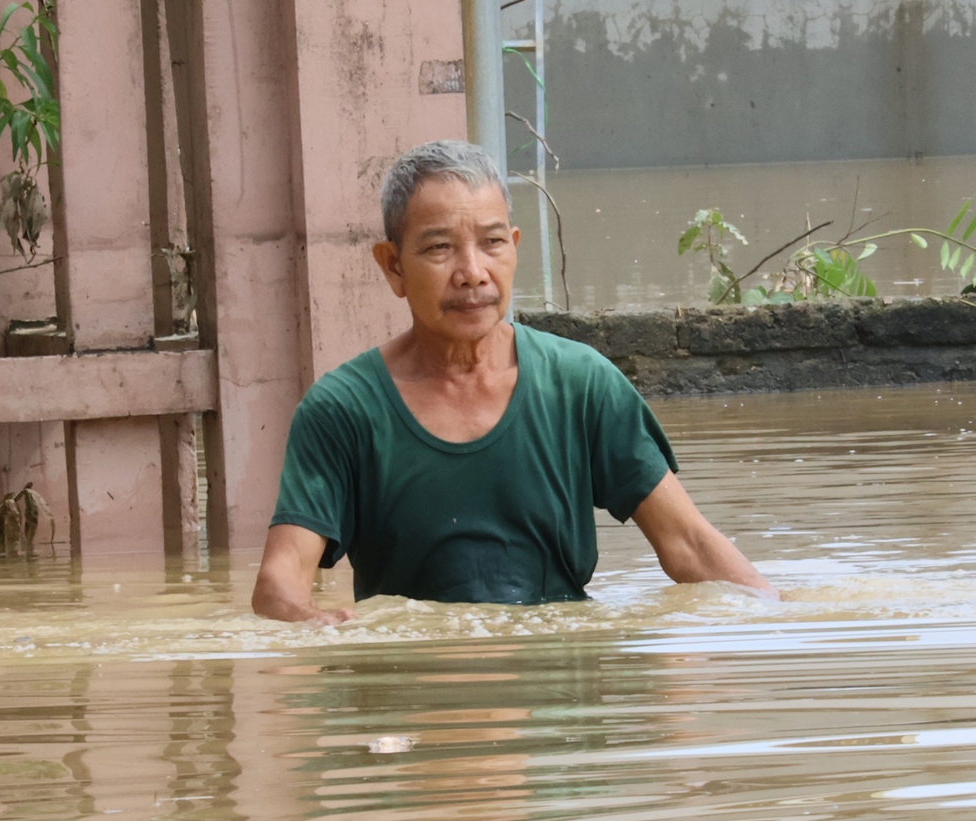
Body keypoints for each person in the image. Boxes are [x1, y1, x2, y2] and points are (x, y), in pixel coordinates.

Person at [252, 140, 775, 623]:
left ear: (515, 248)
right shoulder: (342, 411)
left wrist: (784, 621)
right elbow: (280, 583)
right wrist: (319, 627)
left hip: (563, 701)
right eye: (439, 248)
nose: (473, 272)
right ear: (393, 267)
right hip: (414, 700)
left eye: (492, 243)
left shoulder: (581, 384)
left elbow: (689, 545)